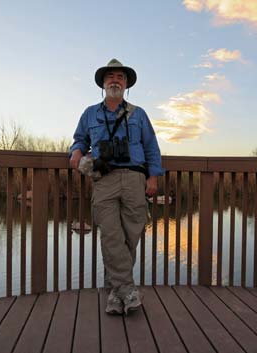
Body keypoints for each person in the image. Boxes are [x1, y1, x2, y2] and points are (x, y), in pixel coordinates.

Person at [69, 58, 164, 315]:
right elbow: (79, 139)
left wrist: (153, 176)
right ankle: (128, 291)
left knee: (130, 237)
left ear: (126, 84)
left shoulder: (139, 114)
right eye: (110, 76)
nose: (115, 80)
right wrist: (76, 151)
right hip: (104, 181)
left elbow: (151, 147)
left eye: (120, 77)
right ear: (102, 83)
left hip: (135, 179)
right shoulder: (90, 113)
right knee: (111, 236)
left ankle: (115, 292)